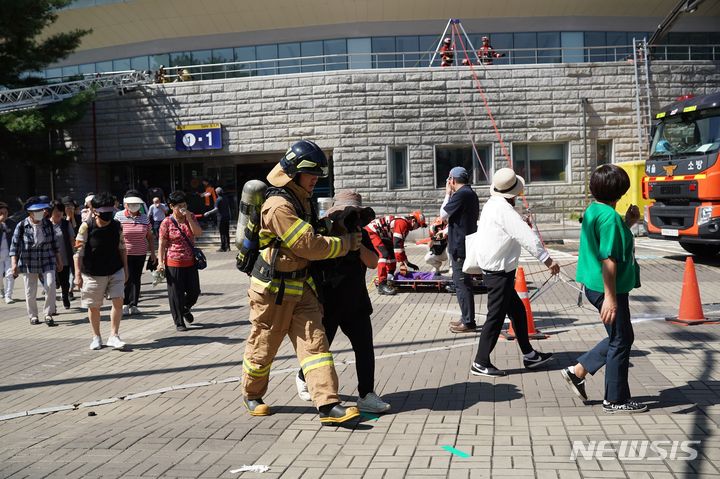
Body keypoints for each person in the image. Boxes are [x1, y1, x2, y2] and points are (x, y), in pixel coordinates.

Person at [242, 139, 361, 425]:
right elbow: (307, 245)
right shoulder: (277, 206)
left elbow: (313, 234)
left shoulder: (301, 200)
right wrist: (345, 243)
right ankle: (252, 394)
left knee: (316, 346)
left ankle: (328, 405)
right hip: (272, 291)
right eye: (311, 175)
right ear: (295, 173)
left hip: (301, 287)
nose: (315, 181)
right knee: (264, 346)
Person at [560, 164, 647, 414]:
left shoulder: (595, 210)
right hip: (608, 288)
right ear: (620, 192)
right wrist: (610, 298)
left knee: (621, 336)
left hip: (596, 285)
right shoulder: (609, 217)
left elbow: (606, 242)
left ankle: (577, 372)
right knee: (621, 340)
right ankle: (615, 399)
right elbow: (608, 259)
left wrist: (628, 223)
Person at [295, 190, 391, 414]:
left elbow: (373, 262)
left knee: (365, 348)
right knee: (321, 348)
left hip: (356, 302)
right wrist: (316, 300)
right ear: (334, 214)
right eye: (346, 214)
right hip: (328, 303)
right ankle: (303, 376)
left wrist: (357, 246)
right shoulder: (321, 233)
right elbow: (312, 269)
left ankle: (366, 394)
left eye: (355, 214)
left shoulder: (360, 233)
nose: (350, 219)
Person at [467, 168, 559, 376]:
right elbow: (526, 237)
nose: (518, 196)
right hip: (498, 270)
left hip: (495, 267)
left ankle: (529, 354)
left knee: (517, 311)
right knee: (496, 317)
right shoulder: (505, 210)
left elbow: (509, 231)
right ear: (512, 194)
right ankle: (480, 362)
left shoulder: (493, 204)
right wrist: (547, 260)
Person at [74, 193, 128, 350]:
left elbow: (122, 247)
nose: (107, 215)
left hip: (115, 269)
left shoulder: (117, 225)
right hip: (92, 272)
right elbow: (78, 252)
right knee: (94, 306)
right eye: (104, 212)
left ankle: (114, 335)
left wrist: (126, 269)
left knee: (118, 301)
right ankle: (96, 337)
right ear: (94, 210)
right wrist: (78, 274)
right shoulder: (86, 226)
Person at [10, 197, 62, 326]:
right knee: (30, 290)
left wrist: (59, 260)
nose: (42, 212)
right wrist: (14, 264)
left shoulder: (48, 224)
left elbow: (55, 244)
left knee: (50, 285)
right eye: (38, 210)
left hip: (47, 259)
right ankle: (33, 316)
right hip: (29, 261)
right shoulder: (22, 225)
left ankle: (48, 314)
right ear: (30, 213)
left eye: (42, 210)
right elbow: (14, 246)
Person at [440, 166, 480, 332]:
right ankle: (465, 317)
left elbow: (443, 214)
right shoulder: (469, 193)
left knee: (461, 283)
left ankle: (469, 322)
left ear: (453, 180)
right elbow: (460, 219)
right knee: (462, 282)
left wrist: (447, 193)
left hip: (460, 246)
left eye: (449, 180)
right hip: (464, 242)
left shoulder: (461, 194)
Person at [157, 190, 203, 331]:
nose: (182, 208)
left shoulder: (191, 217)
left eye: (184, 205)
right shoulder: (166, 222)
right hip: (173, 262)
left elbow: (198, 233)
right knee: (176, 294)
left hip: (190, 261)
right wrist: (160, 262)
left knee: (194, 291)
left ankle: (184, 308)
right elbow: (162, 244)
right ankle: (179, 322)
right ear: (172, 206)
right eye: (179, 206)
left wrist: (189, 218)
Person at [364, 211, 426, 295]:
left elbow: (400, 247)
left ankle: (389, 278)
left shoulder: (405, 225)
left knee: (392, 256)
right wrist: (401, 263)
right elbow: (397, 244)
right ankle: (382, 285)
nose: (417, 228)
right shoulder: (402, 223)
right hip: (372, 232)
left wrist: (407, 263)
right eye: (418, 225)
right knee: (384, 255)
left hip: (382, 235)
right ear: (413, 221)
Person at [115, 191, 156, 316]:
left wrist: (153, 253)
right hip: (124, 253)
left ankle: (134, 304)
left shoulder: (144, 217)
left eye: (137, 204)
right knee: (125, 278)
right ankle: (124, 303)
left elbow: (149, 236)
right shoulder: (119, 216)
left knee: (136, 278)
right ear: (126, 205)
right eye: (131, 204)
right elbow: (115, 235)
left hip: (140, 253)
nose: (134, 206)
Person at [49, 200, 75, 310]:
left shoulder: (65, 223)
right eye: (56, 210)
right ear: (51, 212)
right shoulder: (46, 224)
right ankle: (52, 304)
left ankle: (65, 297)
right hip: (50, 258)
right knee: (52, 283)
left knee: (65, 282)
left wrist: (75, 252)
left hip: (64, 257)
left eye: (60, 210)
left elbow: (72, 239)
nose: (59, 213)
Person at [203, 187, 232, 252]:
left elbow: (216, 209)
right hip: (227, 218)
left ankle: (223, 247)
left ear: (216, 193)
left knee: (222, 233)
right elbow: (228, 208)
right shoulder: (226, 198)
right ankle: (228, 247)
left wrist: (208, 212)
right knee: (226, 232)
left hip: (221, 218)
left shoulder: (218, 200)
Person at [0, 201, 16, 304]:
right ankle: (1, 289)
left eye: (5, 213)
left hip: (9, 253)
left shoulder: (12, 223)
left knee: (10, 274)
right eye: (1, 213)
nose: (3, 215)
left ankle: (8, 295)